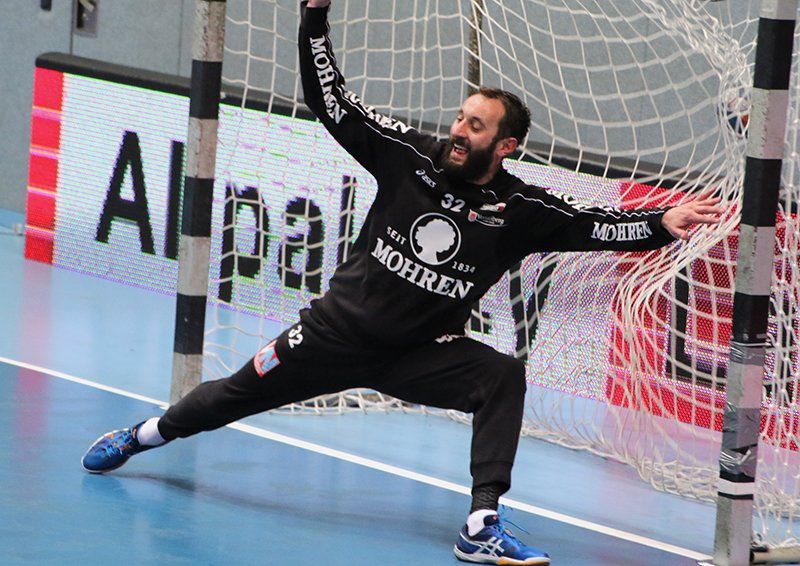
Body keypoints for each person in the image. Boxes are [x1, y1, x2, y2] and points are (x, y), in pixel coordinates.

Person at [81, 1, 723, 563]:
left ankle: (481, 524)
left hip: (417, 356)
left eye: (476, 126)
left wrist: (661, 223)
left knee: (500, 375)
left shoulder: (519, 211)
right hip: (332, 336)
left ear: (506, 146)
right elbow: (331, 101)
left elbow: (594, 225)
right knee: (228, 397)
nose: (459, 131)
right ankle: (141, 436)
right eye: (461, 118)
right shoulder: (407, 156)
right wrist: (314, 17)